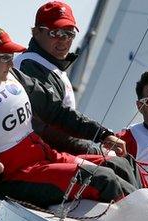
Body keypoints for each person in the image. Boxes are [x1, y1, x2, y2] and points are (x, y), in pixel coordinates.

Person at [0, 22, 138, 207]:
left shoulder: (13, 76)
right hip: (14, 176)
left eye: (11, 56)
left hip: (44, 156)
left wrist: (103, 134)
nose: (11, 63)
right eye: (5, 57)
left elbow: (57, 112)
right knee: (104, 180)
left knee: (117, 163)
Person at [14, 1, 101, 155]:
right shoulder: (30, 66)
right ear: (36, 32)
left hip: (56, 154)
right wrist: (92, 149)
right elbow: (45, 128)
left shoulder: (49, 66)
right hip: (39, 157)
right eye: (56, 33)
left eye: (69, 33)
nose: (64, 40)